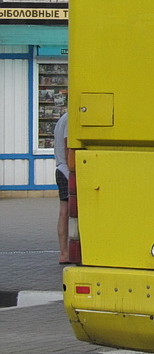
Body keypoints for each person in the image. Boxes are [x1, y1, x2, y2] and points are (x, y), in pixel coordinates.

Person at [53, 111, 71, 264]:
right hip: (66, 169)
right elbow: (67, 145)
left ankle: (64, 252)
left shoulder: (62, 119)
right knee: (66, 213)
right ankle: (65, 253)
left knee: (63, 212)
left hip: (60, 168)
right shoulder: (70, 119)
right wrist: (73, 170)